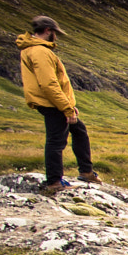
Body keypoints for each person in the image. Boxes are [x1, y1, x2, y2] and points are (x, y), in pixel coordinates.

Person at [15, 15, 97, 191]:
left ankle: (86, 172)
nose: (56, 37)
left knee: (79, 130)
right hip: (51, 103)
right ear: (47, 31)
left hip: (54, 102)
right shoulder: (39, 51)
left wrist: (69, 105)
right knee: (56, 141)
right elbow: (48, 84)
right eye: (55, 33)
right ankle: (54, 182)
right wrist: (66, 108)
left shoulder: (34, 49)